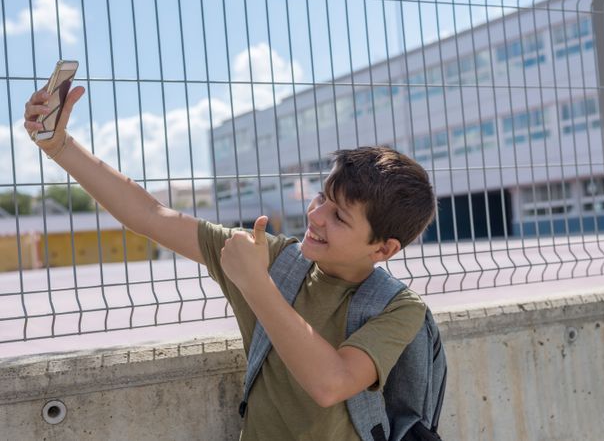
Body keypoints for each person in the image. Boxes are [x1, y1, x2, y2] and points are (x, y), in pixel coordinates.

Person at [23, 84, 437, 440]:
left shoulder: (398, 308)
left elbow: (331, 384)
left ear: (383, 249)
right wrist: (58, 145)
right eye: (321, 197)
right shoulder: (273, 256)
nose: (315, 216)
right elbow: (149, 216)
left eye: (339, 216)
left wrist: (255, 284)